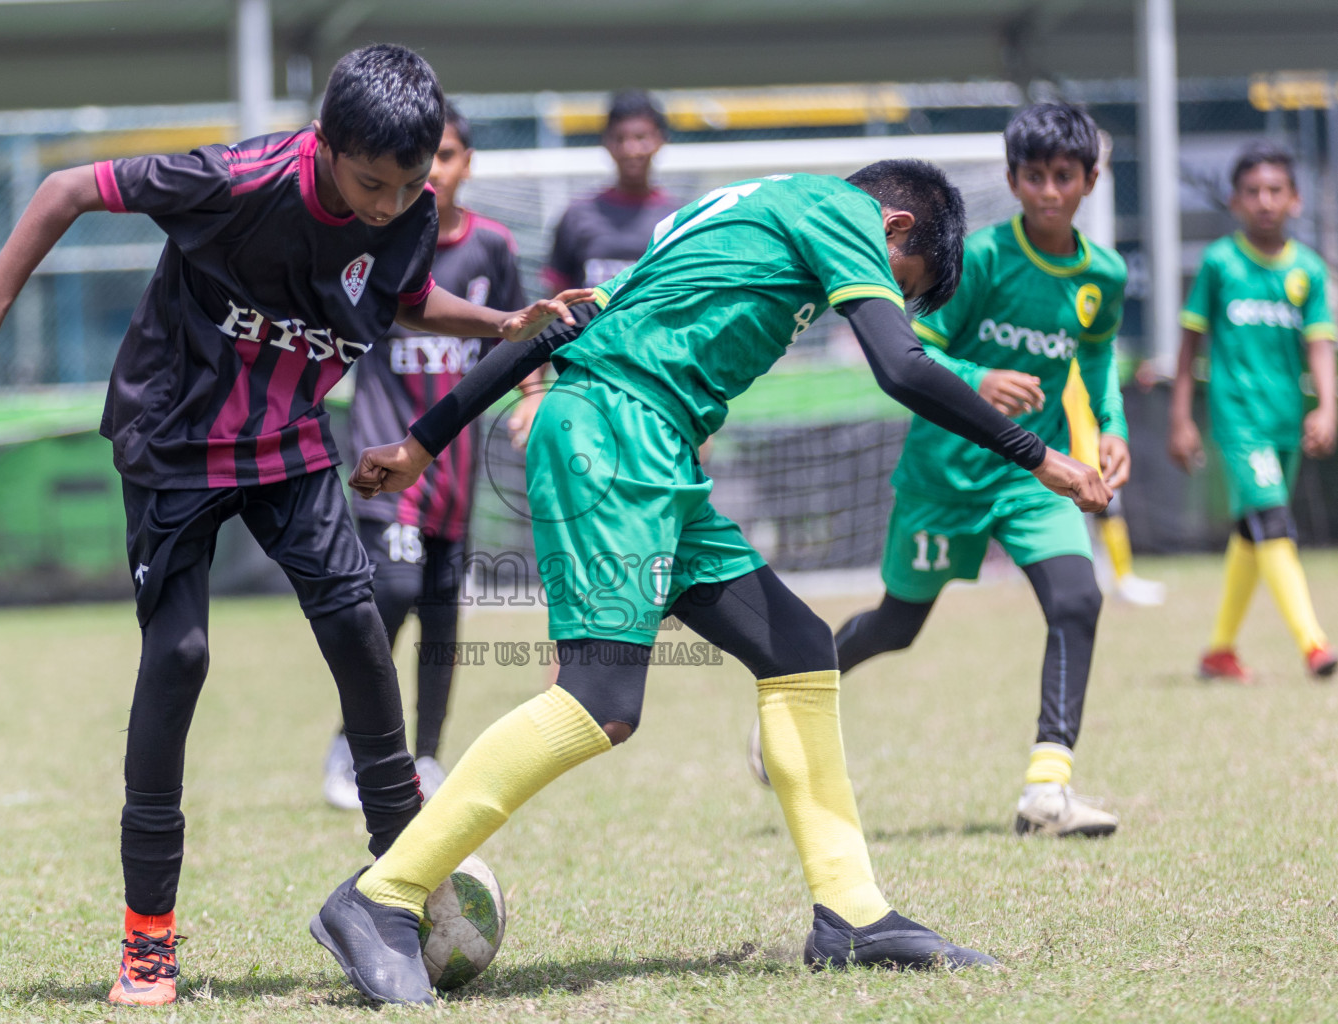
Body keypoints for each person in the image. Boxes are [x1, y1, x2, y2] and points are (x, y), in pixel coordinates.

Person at [309, 158, 1112, 1004]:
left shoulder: (737, 215)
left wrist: (424, 441)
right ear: (895, 230)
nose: (878, 292)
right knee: (598, 701)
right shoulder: (844, 211)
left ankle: (850, 911)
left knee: (798, 649)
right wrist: (1043, 458)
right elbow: (900, 368)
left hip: (651, 444)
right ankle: (382, 895)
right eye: (894, 280)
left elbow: (560, 327)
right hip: (616, 435)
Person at [0, 44, 586, 1007]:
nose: (390, 204)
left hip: (287, 441)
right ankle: (148, 939)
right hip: (173, 437)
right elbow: (63, 188)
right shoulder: (234, 178)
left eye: (406, 185)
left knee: (356, 624)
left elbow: (396, 301)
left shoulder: (407, 210)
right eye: (371, 183)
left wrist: (501, 325)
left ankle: (398, 879)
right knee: (179, 657)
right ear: (326, 144)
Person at [817, 105, 1128, 840]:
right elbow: (913, 349)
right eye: (1033, 176)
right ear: (1012, 178)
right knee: (896, 627)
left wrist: (1111, 429)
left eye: (1063, 176)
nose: (1048, 191)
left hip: (1032, 475)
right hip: (945, 475)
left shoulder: (1102, 275)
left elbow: (1095, 358)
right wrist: (978, 375)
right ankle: (795, 690)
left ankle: (1046, 790)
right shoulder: (978, 258)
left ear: (1089, 178)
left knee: (1076, 600)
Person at [323, 101, 542, 808]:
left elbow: (518, 339)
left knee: (443, 617)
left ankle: (427, 756)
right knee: (391, 592)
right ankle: (351, 744)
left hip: (452, 469)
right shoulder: (374, 241)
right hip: (387, 460)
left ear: (464, 164)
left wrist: (533, 395)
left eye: (447, 156)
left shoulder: (491, 248)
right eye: (428, 158)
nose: (435, 171)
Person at [1171, 141, 1337, 683]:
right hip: (1238, 421)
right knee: (1273, 519)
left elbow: (1319, 346)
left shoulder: (1308, 270)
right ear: (1234, 201)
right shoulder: (1219, 262)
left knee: (1252, 530)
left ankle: (1219, 651)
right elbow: (1189, 342)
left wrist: (1327, 408)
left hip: (1286, 419)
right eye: (1252, 192)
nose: (1264, 200)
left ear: (1295, 199)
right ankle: (1314, 645)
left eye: (1275, 191)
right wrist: (1180, 417)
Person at [542, 89, 684, 292]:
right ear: (606, 142)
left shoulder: (678, 218)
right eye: (620, 138)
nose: (631, 149)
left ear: (660, 140)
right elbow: (556, 296)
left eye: (640, 137)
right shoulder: (576, 217)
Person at [1061, 363, 1165, 606]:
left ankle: (1120, 578)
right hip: (1075, 453)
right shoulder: (1068, 358)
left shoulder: (1087, 355)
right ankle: (1118, 579)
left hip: (1088, 449)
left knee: (1106, 513)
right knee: (1101, 512)